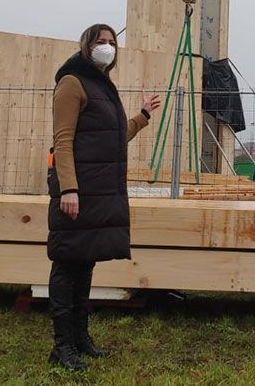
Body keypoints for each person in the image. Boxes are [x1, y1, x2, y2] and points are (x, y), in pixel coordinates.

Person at [46, 23, 161, 370]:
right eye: (101, 41)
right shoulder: (71, 83)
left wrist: (142, 117)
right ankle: (62, 346)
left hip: (96, 190)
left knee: (86, 263)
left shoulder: (101, 86)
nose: (107, 47)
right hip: (77, 191)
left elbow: (110, 138)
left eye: (112, 42)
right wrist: (68, 188)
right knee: (67, 264)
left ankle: (81, 338)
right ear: (87, 45)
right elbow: (63, 141)